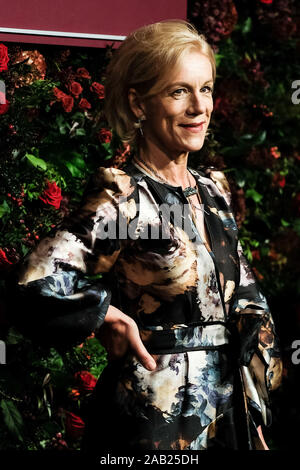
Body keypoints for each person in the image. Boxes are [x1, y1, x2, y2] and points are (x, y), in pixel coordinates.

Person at [9, 20, 282, 451]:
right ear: (139, 103)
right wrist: (106, 316)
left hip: (228, 423)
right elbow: (33, 284)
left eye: (206, 88)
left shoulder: (214, 192)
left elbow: (247, 302)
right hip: (154, 423)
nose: (199, 107)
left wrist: (254, 420)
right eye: (179, 91)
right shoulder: (123, 198)